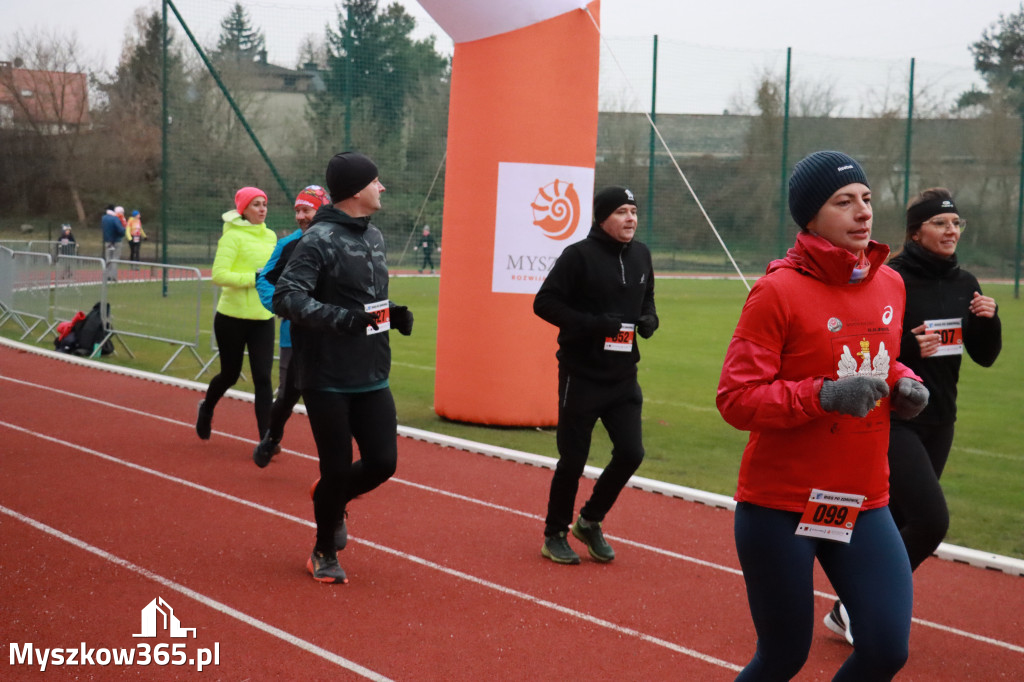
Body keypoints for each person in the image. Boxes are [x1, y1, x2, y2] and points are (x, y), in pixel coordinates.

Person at [716, 150, 929, 681]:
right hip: (780, 506)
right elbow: (737, 398)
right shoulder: (776, 291)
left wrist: (904, 382)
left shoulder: (890, 284)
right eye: (843, 202)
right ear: (810, 217)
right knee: (784, 656)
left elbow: (881, 357)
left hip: (862, 500)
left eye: (866, 199)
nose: (863, 212)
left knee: (886, 649)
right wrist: (824, 396)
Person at [824, 188, 1002, 646]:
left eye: (956, 224)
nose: (951, 231)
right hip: (894, 417)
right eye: (941, 223)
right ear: (916, 231)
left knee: (902, 518)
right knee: (929, 521)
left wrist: (987, 321)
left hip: (941, 417)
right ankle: (858, 606)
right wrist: (909, 351)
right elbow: (866, 342)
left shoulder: (967, 283)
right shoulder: (891, 277)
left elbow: (985, 356)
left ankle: (849, 606)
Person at [273, 152, 414, 584]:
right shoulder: (317, 239)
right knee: (336, 468)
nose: (381, 187)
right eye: (376, 181)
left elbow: (363, 303)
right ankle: (322, 550)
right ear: (356, 190)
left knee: (382, 463)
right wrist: (343, 319)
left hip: (372, 370)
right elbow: (286, 297)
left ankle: (330, 497)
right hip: (327, 375)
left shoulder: (374, 237)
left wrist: (390, 313)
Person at [533, 185, 658, 565]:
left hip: (623, 376)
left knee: (631, 453)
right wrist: (592, 325)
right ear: (602, 217)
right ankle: (554, 534)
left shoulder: (641, 255)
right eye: (621, 212)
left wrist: (651, 319)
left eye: (634, 211)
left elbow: (647, 296)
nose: (630, 219)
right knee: (573, 459)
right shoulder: (578, 256)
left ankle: (589, 521)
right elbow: (545, 303)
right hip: (581, 374)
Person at [252, 184, 332, 467]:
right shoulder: (288, 245)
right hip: (295, 338)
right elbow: (263, 279)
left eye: (306, 209)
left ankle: (335, 466)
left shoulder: (342, 242)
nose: (300, 216)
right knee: (287, 395)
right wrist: (281, 306)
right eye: (297, 210)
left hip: (333, 339)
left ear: (322, 209)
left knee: (330, 400)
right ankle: (272, 437)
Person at [196, 187, 278, 441]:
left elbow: (274, 272)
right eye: (256, 204)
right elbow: (219, 275)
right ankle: (206, 408)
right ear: (243, 209)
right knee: (230, 374)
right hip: (231, 318)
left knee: (263, 378)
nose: (262, 209)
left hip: (263, 318)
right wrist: (254, 278)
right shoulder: (231, 237)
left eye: (264, 203)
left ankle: (265, 439)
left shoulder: (272, 236)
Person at [101, 204, 125, 282]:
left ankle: (106, 275)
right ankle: (113, 276)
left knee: (108, 258)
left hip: (107, 241)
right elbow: (120, 230)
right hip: (116, 241)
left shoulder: (103, 218)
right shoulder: (115, 219)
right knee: (115, 259)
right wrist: (123, 233)